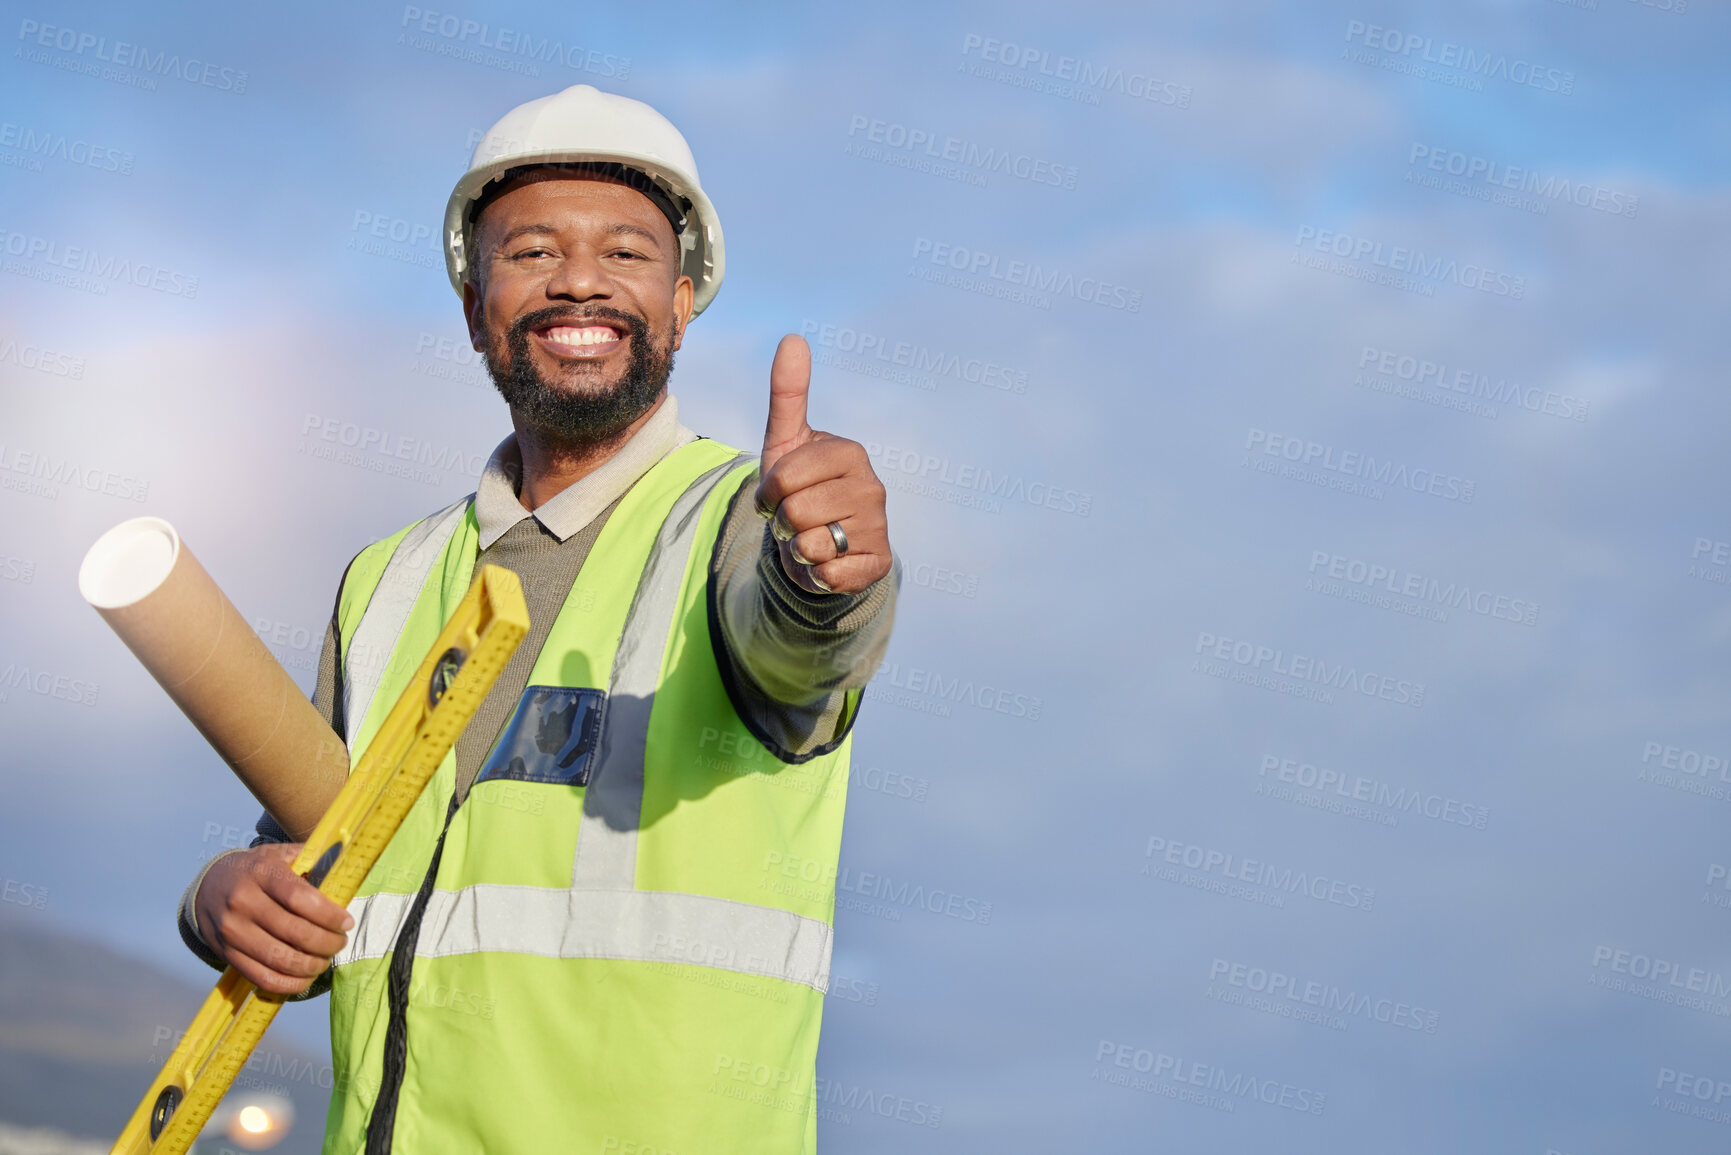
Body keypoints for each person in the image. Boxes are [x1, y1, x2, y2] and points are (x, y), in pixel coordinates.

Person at [174, 84, 898, 1153]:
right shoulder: (385, 579)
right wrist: (220, 899)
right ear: (475, 310)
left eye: (626, 254)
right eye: (530, 253)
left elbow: (799, 648)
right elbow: (308, 867)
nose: (578, 282)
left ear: (682, 304)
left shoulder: (740, 528)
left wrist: (825, 577)